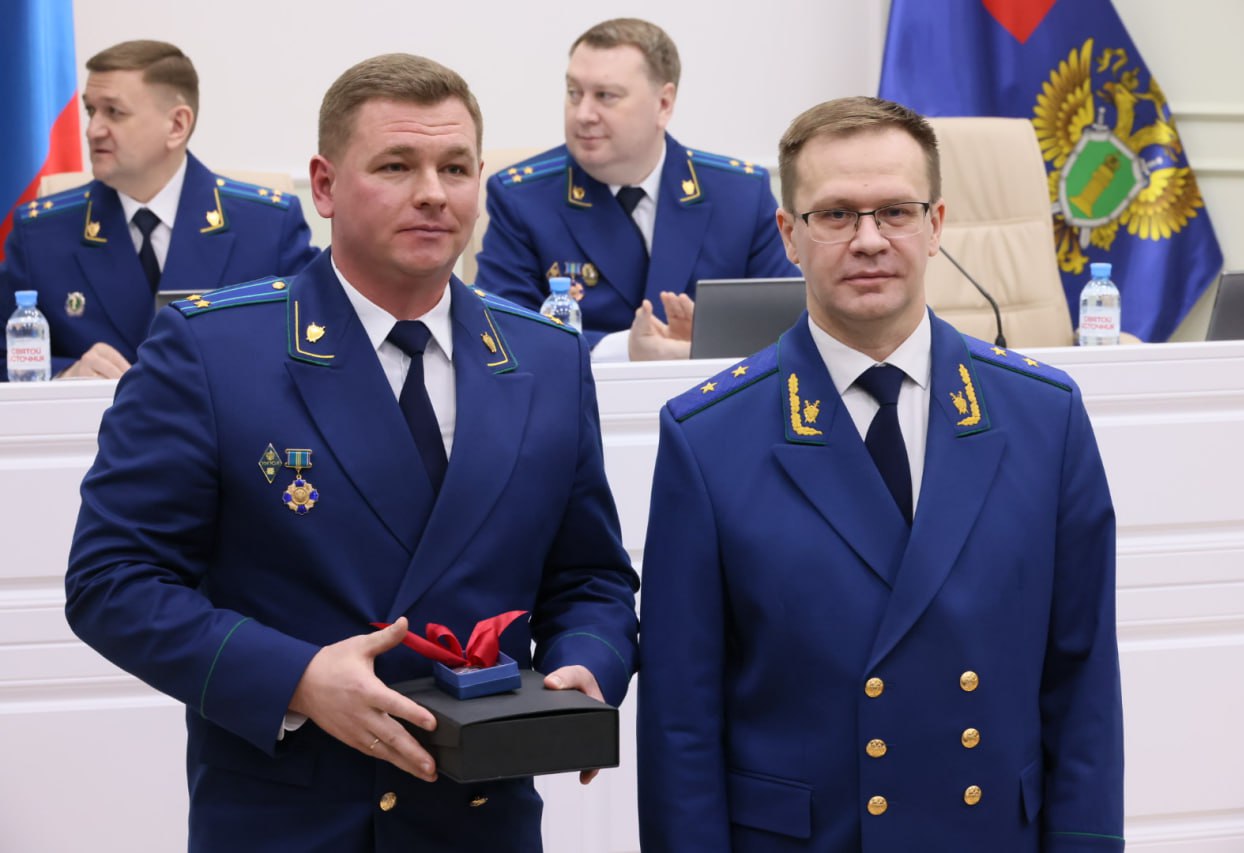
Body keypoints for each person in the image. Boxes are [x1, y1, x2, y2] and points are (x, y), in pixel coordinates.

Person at [66, 53, 639, 852]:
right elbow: (112, 581)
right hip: (293, 819)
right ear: (325, 186)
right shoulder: (212, 351)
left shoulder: (546, 357)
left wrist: (588, 662)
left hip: (479, 819)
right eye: (396, 166)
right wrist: (295, 679)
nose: (432, 192)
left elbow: (590, 577)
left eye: (455, 168)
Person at [636, 96, 1123, 851]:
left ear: (936, 225)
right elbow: (680, 721)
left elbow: (1082, 679)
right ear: (789, 236)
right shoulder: (708, 439)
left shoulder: (1043, 419)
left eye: (895, 211)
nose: (868, 240)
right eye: (835, 215)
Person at [474, 17, 797, 361]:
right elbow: (502, 332)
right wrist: (625, 351)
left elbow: (787, 328)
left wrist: (704, 346)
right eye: (574, 93)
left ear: (663, 104)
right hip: (581, 392)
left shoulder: (740, 195)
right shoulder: (522, 198)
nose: (583, 114)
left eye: (605, 96)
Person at [0, 39, 316, 380]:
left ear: (177, 125)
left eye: (114, 112)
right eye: (91, 111)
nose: (92, 130)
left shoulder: (267, 227)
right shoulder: (41, 234)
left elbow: (318, 345)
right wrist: (65, 376)